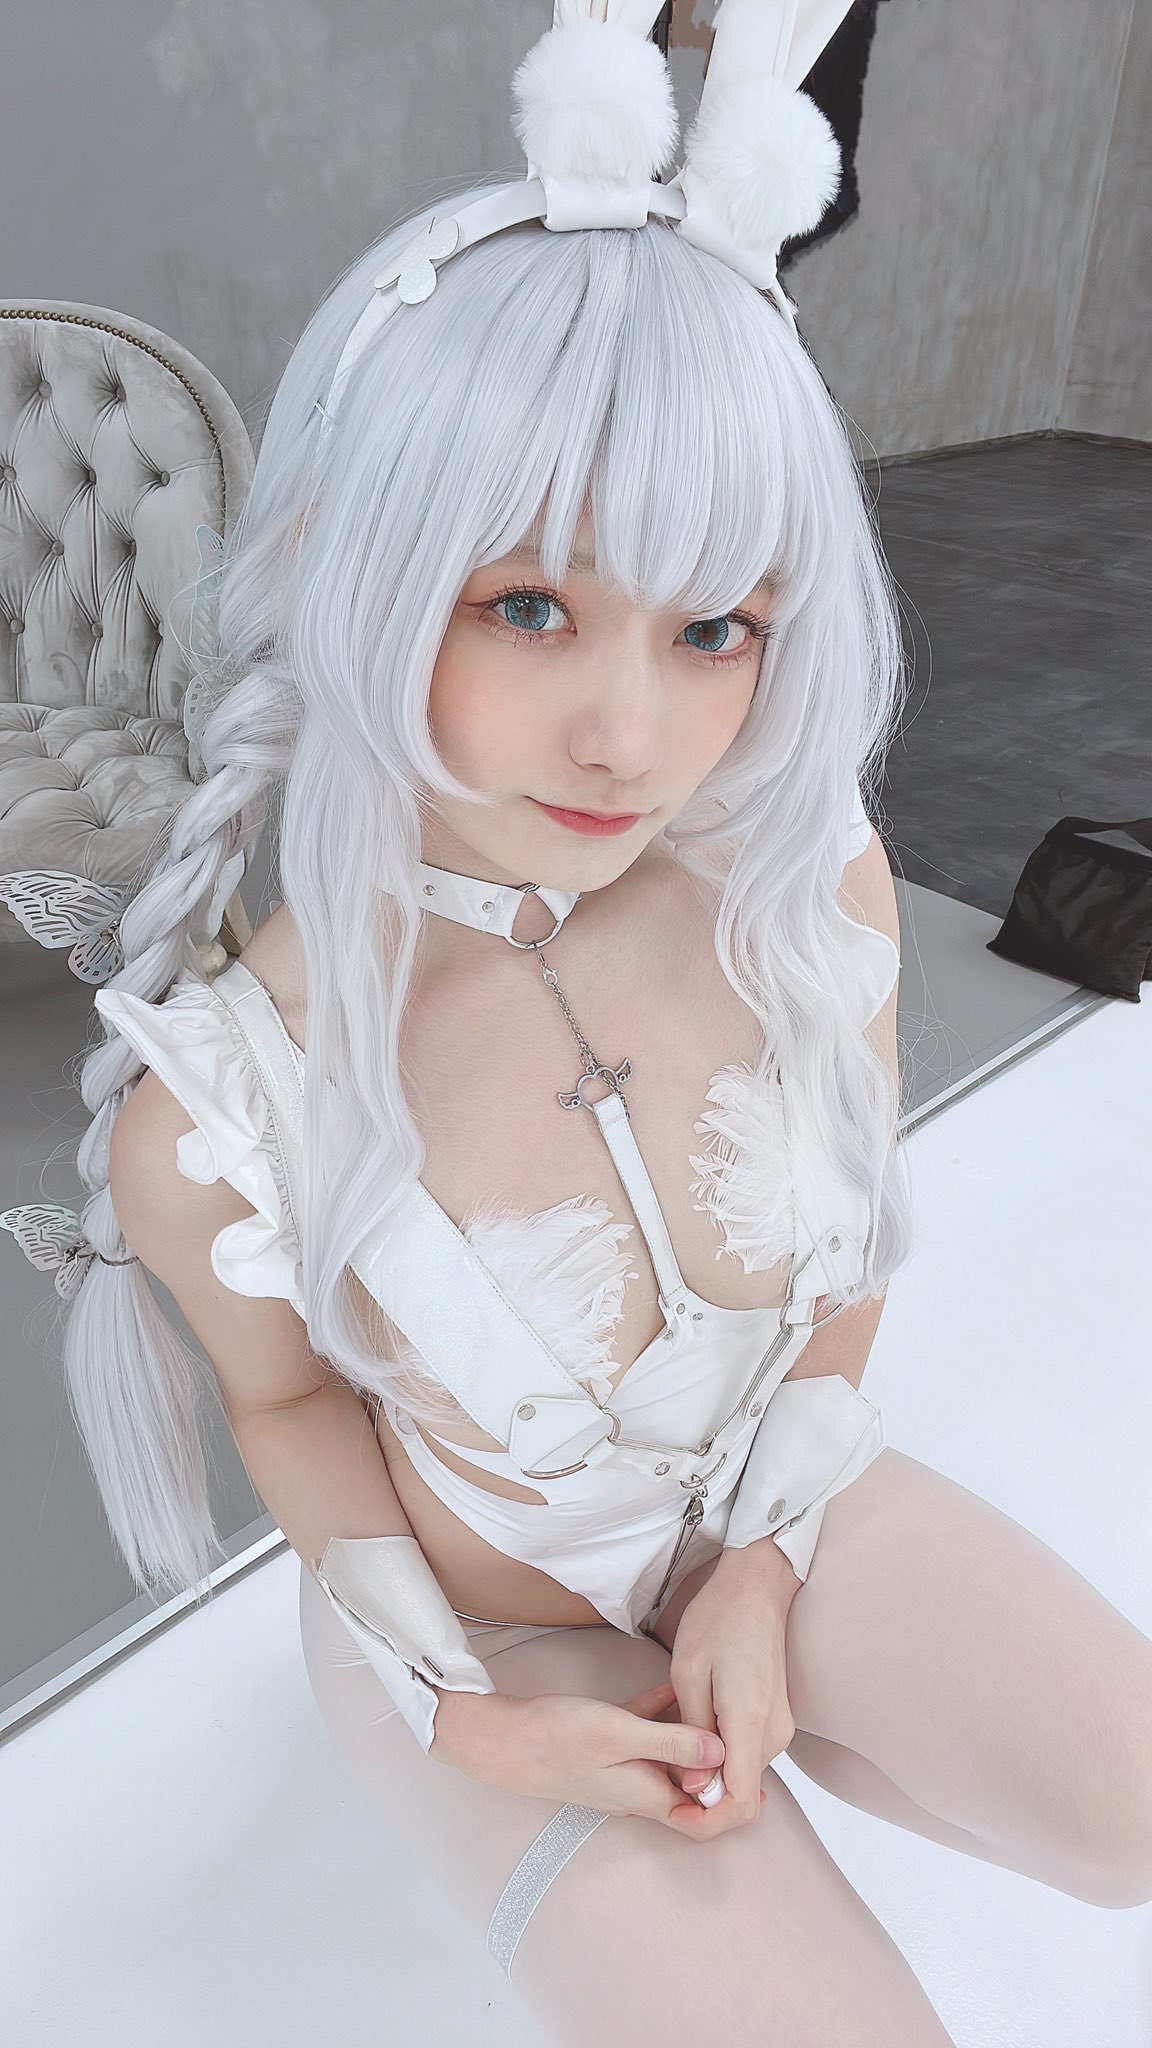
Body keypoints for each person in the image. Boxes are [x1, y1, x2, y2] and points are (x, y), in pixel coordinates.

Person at [5, 4, 1152, 2041]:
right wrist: (457, 1708)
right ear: (359, 567)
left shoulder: (810, 893)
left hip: (776, 1505)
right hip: (495, 1636)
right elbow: (296, 1413)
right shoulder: (218, 1119)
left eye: (715, 627)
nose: (633, 734)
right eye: (529, 605)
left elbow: (848, 1262)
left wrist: (768, 1564)